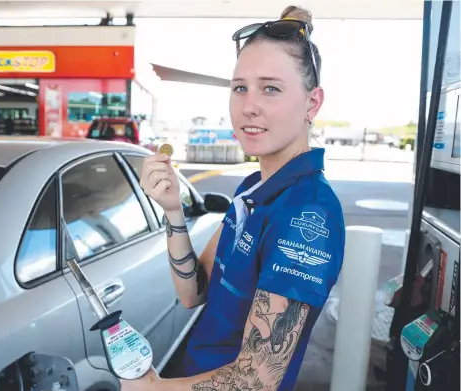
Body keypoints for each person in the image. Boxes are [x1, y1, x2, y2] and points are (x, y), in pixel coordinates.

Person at [121, 5, 345, 391]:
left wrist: (153, 389)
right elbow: (194, 293)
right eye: (240, 87)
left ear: (312, 103)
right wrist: (173, 211)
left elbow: (257, 379)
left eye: (270, 88)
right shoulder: (253, 189)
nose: (248, 106)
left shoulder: (308, 213)